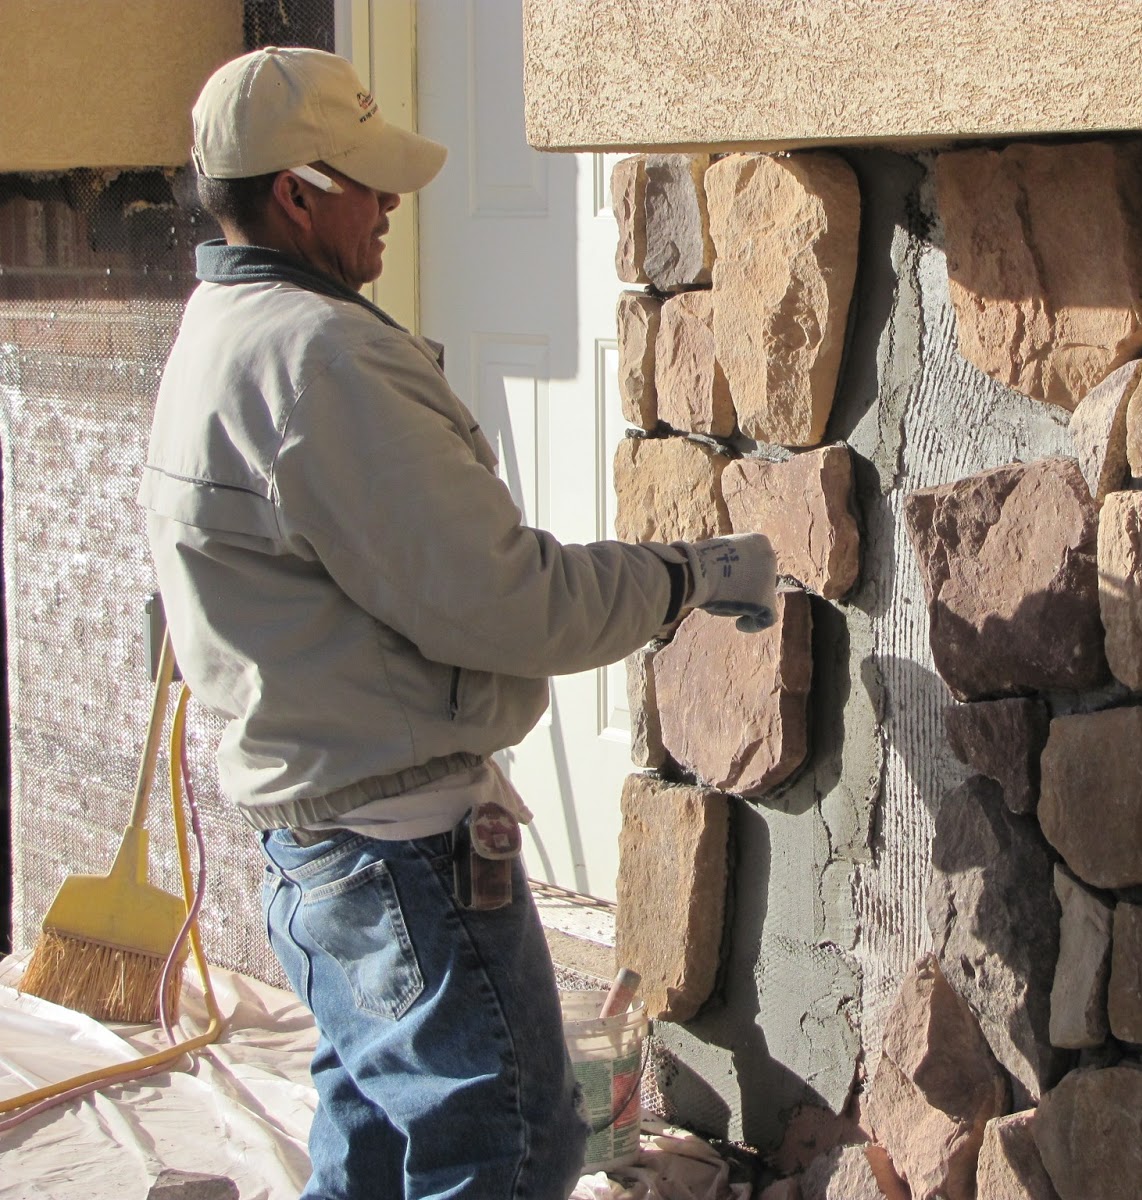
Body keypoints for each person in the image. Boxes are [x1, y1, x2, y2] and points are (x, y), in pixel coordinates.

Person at [140, 46, 775, 1200]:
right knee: (509, 1150)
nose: (391, 205)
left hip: (326, 850)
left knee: (375, 1144)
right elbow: (505, 605)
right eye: (368, 183)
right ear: (296, 191)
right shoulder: (317, 360)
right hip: (401, 860)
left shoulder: (218, 331)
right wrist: (687, 577)